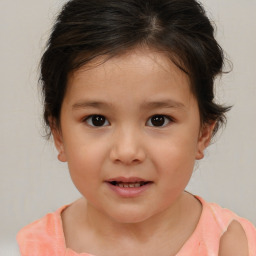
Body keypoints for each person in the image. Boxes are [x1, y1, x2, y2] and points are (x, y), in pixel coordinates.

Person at [17, 0, 256, 255]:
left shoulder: (236, 244)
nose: (127, 152)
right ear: (58, 134)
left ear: (203, 133)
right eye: (97, 120)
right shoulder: (37, 247)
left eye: (158, 120)